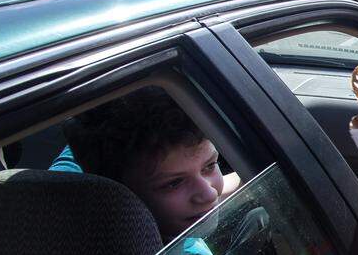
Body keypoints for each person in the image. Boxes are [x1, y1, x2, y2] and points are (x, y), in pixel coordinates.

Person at [63, 86, 241, 243]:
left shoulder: (81, 160)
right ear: (117, 192)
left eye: (209, 166)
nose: (209, 194)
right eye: (174, 183)